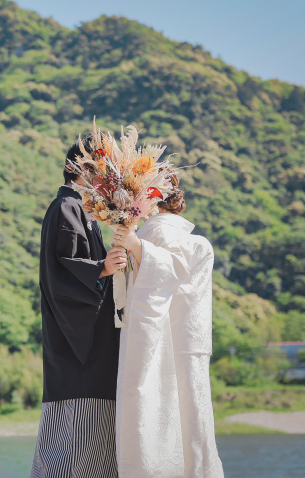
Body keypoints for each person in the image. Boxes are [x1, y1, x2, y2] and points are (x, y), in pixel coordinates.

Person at [112, 175, 224, 478]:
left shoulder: (152, 235)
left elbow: (166, 272)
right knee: (192, 423)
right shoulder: (166, 236)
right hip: (186, 340)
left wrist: (136, 246)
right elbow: (177, 268)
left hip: (152, 337)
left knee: (154, 413)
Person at [31, 136, 129, 478]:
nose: (106, 184)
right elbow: (65, 270)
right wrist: (103, 268)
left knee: (81, 445)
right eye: (103, 173)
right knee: (76, 446)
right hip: (79, 351)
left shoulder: (75, 209)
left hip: (84, 345)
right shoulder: (66, 208)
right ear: (84, 170)